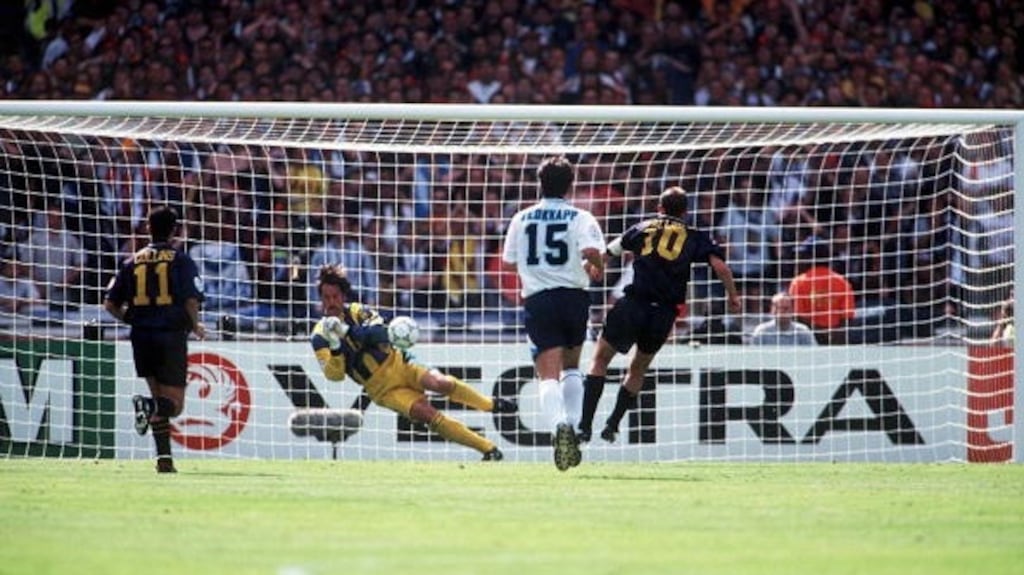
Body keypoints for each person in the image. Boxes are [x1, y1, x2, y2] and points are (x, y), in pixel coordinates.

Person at [578, 186, 741, 444]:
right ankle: (613, 423)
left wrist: (593, 268)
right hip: (663, 313)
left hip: (633, 304)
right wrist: (733, 295)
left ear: (660, 208)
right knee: (638, 369)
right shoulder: (695, 235)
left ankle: (584, 426)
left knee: (600, 360)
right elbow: (721, 267)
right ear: (685, 212)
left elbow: (607, 253)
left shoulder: (642, 227)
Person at [311, 264, 514, 461]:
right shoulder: (320, 336)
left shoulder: (357, 311)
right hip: (384, 391)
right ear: (320, 299)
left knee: (440, 383)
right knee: (429, 415)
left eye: (335, 296)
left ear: (344, 296)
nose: (331, 302)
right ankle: (489, 450)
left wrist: (347, 331)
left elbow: (382, 334)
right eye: (326, 298)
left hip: (402, 363)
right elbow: (334, 376)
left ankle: (491, 405)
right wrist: (336, 346)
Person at [501, 156, 606, 471]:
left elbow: (507, 261)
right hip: (574, 297)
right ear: (570, 184)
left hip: (539, 299)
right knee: (572, 367)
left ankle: (559, 424)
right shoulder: (581, 216)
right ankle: (572, 427)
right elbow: (591, 253)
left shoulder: (522, 218)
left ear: (539, 182)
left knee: (547, 374)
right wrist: (595, 267)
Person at [104, 206, 206, 474]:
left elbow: (110, 304)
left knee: (158, 396)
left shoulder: (131, 261)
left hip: (140, 337)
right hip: (170, 336)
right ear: (174, 230)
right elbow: (191, 298)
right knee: (173, 404)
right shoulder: (180, 260)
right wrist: (195, 325)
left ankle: (164, 460)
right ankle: (147, 406)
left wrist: (132, 319)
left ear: (148, 228)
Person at [788, 235, 855, 345]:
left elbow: (798, 318)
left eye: (803, 256)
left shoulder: (798, 283)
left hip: (808, 342)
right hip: (836, 342)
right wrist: (832, 336)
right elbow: (847, 318)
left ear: (811, 258)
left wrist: (819, 336)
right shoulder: (842, 282)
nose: (799, 259)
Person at [749, 291, 817, 345]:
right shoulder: (761, 331)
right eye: (778, 308)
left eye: (786, 308)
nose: (782, 312)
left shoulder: (803, 331)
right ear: (772, 310)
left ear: (792, 310)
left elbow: (813, 356)